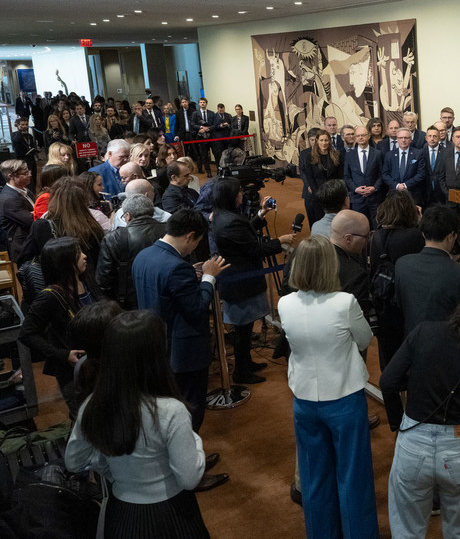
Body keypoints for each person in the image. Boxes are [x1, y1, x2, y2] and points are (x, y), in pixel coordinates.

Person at [381, 278, 460, 539]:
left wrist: (398, 422)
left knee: (406, 530)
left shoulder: (423, 331)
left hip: (413, 439)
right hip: (459, 446)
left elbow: (388, 381)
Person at [65, 311, 210, 539]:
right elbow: (189, 478)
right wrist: (197, 444)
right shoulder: (171, 410)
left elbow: (74, 461)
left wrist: (110, 467)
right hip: (174, 513)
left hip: (121, 512)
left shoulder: (92, 405)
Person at [278, 236, 378, 539]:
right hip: (345, 399)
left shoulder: (284, 303)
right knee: (353, 475)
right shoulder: (344, 303)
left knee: (314, 476)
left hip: (304, 400)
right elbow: (365, 340)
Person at [133, 209, 230, 495]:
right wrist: (208, 278)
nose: (194, 248)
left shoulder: (144, 256)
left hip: (157, 347)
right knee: (188, 413)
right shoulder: (177, 268)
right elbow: (196, 308)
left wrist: (193, 274)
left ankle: (190, 460)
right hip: (184, 353)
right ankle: (189, 471)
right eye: (195, 241)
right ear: (190, 236)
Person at [210, 177, 293, 384]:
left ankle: (246, 363)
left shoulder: (224, 215)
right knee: (243, 328)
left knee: (245, 328)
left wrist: (261, 214)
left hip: (239, 279)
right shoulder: (229, 220)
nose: (242, 195)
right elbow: (255, 248)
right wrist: (279, 241)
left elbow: (244, 230)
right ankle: (242, 371)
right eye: (239, 192)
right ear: (231, 196)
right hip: (240, 282)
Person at [20, 237, 95, 415]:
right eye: (78, 254)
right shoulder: (50, 296)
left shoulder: (86, 280)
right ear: (64, 262)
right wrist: (63, 355)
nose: (85, 256)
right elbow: (27, 334)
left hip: (97, 365)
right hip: (74, 374)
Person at [394, 205, 460, 337]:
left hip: (411, 343)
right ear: (451, 236)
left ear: (423, 234)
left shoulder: (402, 264)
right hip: (446, 345)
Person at [370, 190, 424, 370]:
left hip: (383, 304)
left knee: (388, 360)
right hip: (408, 305)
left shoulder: (375, 236)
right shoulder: (414, 236)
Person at [97, 194, 168, 310]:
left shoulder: (114, 238)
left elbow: (104, 279)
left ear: (128, 216)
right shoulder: (169, 230)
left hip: (131, 303)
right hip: (167, 296)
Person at [299, 130, 344, 223]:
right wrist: (318, 194)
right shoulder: (309, 157)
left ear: (329, 141)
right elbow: (310, 177)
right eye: (321, 140)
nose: (324, 143)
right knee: (318, 222)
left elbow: (340, 176)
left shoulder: (336, 155)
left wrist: (335, 192)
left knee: (334, 223)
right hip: (317, 196)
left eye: (326, 140)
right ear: (317, 141)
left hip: (333, 195)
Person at [345, 125, 384, 228]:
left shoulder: (377, 154)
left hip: (374, 199)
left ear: (369, 136)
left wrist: (375, 188)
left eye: (363, 135)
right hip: (357, 199)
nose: (360, 138)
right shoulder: (349, 155)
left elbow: (382, 174)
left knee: (376, 228)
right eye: (358, 136)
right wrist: (355, 189)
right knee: (359, 228)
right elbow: (347, 176)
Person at [0, 159, 36, 261]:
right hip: (24, 249)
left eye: (28, 171)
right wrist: (35, 213)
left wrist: (34, 212)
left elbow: (36, 212)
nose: (29, 175)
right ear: (11, 176)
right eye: (25, 173)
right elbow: (32, 220)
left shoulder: (25, 190)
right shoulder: (8, 199)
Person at [382, 127, 428, 205]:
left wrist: (405, 185)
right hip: (394, 195)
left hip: (413, 195)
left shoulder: (418, 154)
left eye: (406, 138)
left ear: (410, 139)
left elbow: (421, 174)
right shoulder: (389, 155)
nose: (403, 140)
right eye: (400, 138)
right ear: (397, 139)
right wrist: (397, 185)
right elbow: (385, 174)